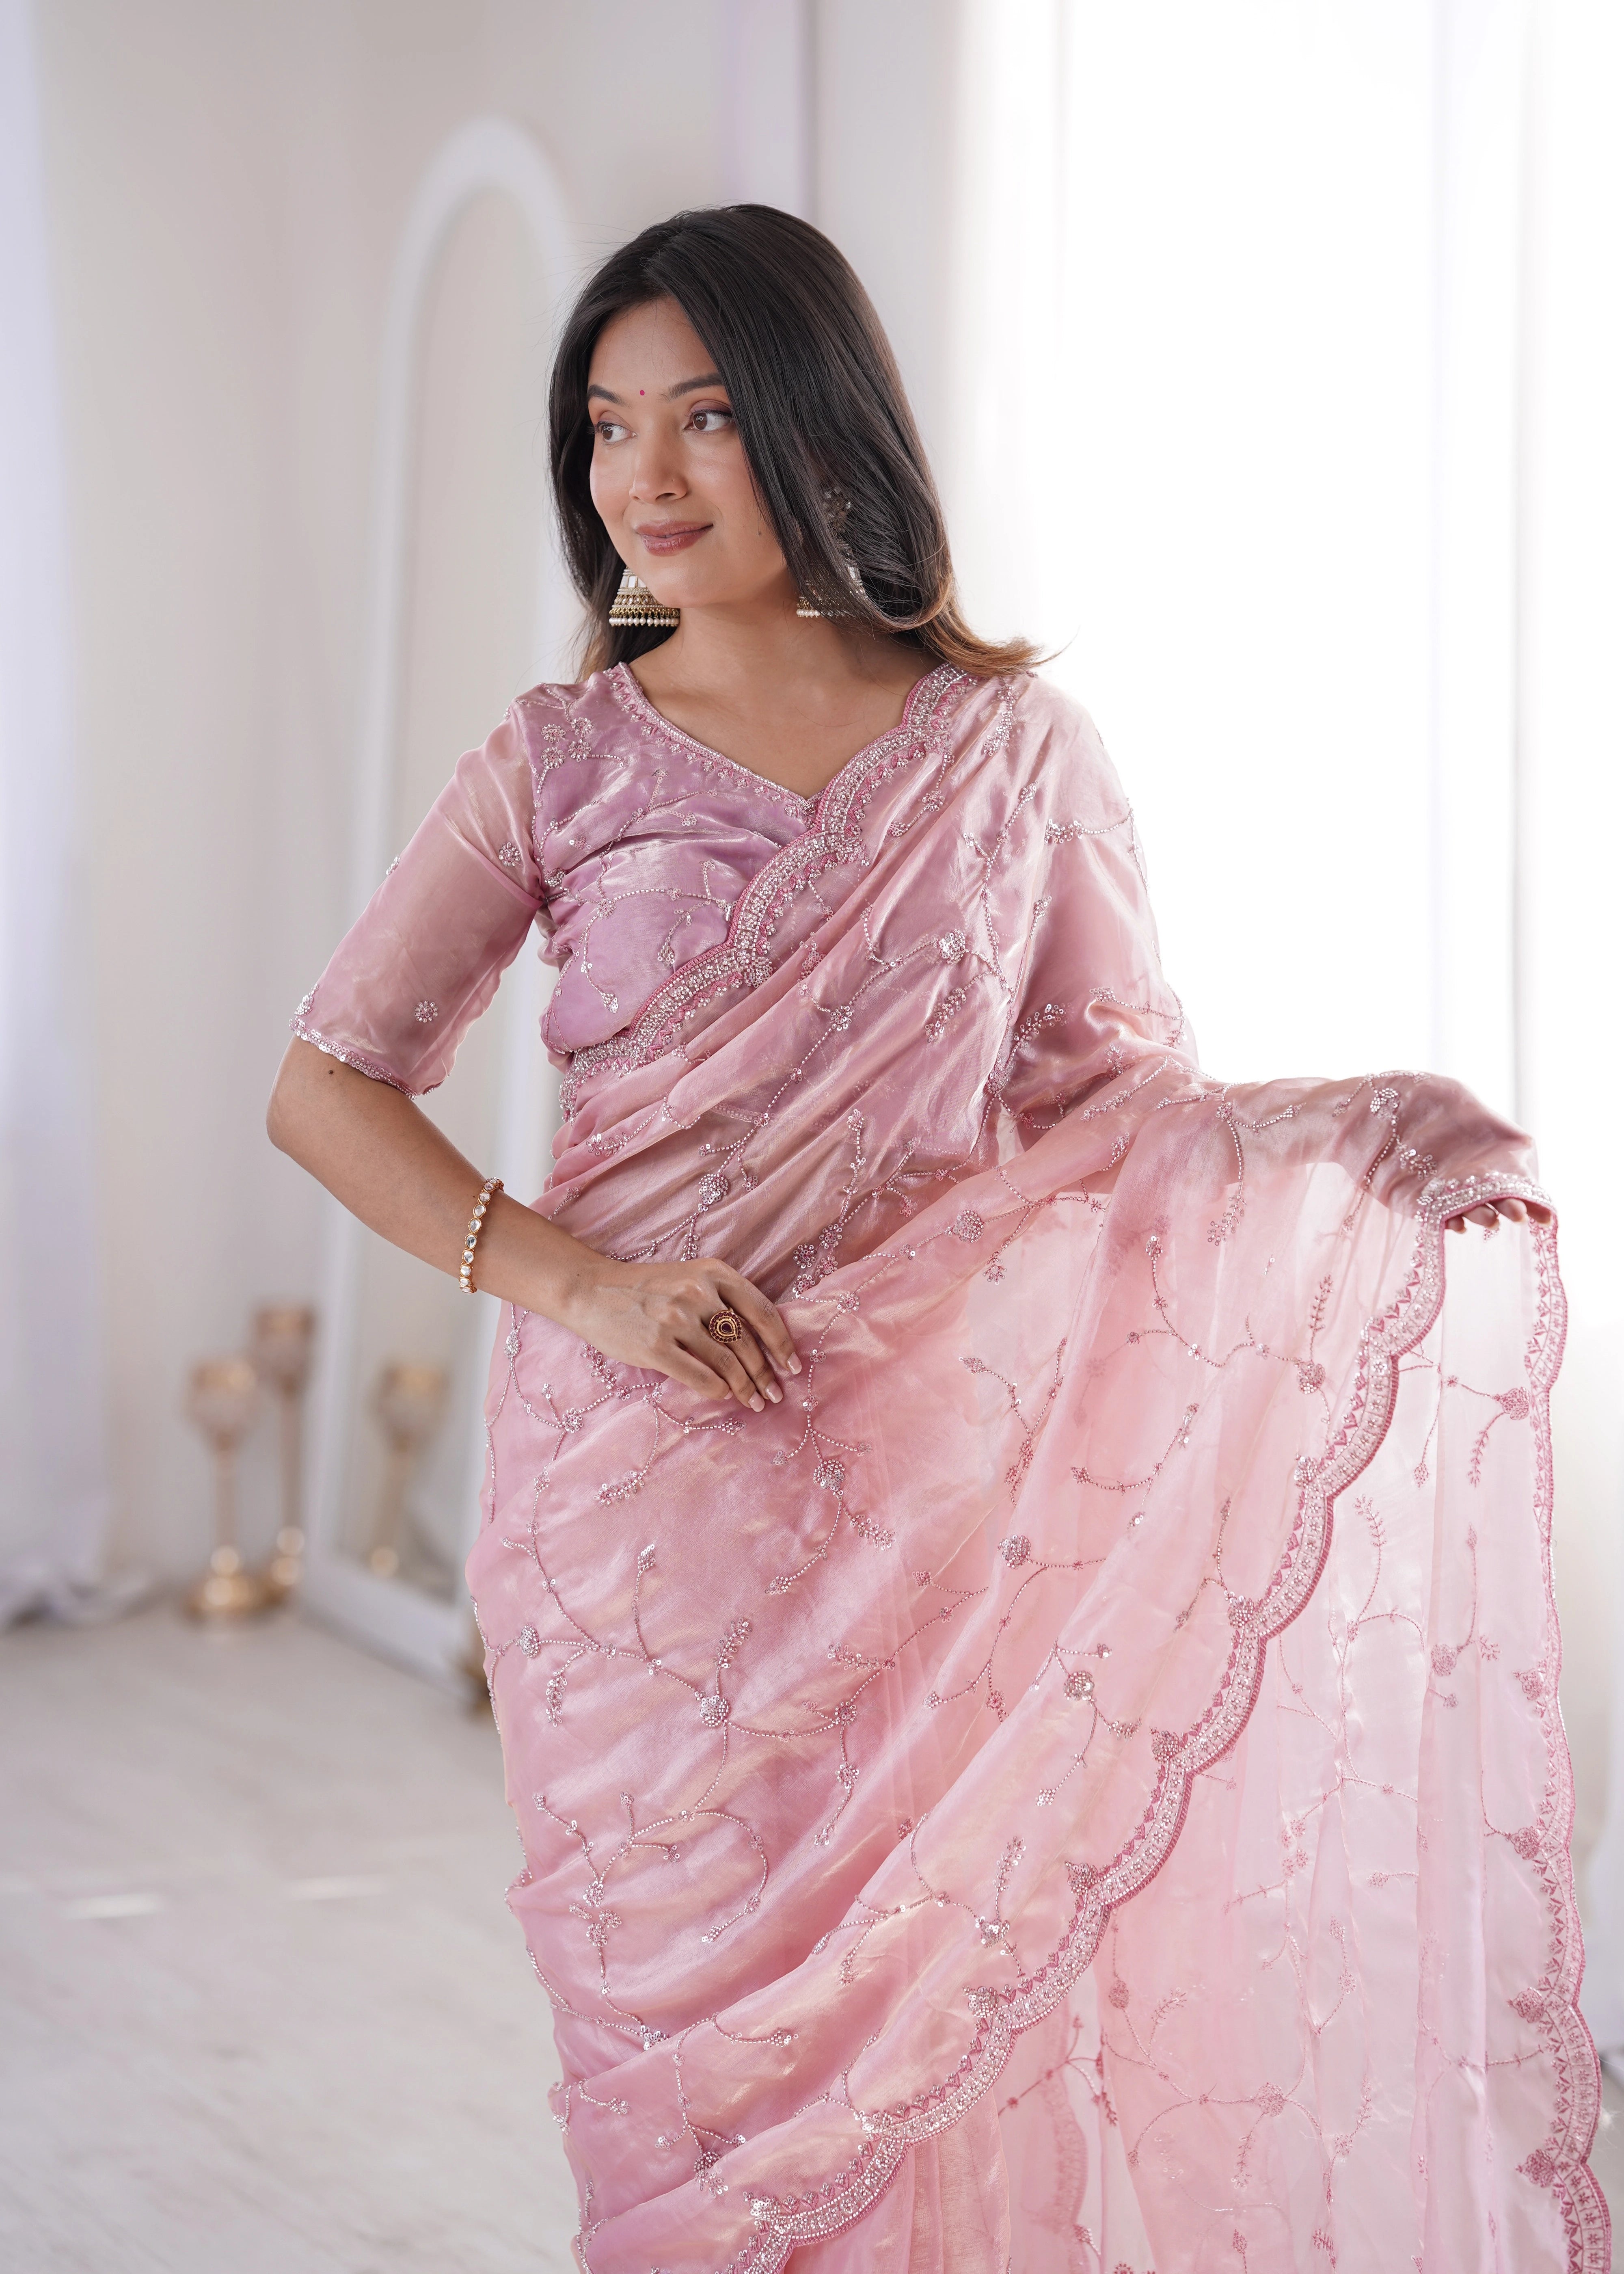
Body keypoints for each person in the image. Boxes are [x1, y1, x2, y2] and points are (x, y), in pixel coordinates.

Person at [268, 207, 1605, 2273]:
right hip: (629, 1513)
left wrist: (1362, 1136)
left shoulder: (1012, 754)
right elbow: (329, 1080)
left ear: (822, 426)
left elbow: (1116, 1112)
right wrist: (586, 1286)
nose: (649, 472)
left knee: (954, 2027)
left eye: (706, 415)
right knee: (687, 2069)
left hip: (927, 1501)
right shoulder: (555, 762)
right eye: (612, 424)